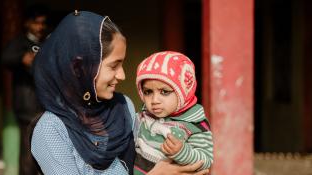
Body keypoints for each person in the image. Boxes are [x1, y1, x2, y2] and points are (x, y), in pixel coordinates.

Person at [30, 10, 209, 175]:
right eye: (114, 66)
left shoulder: (124, 107)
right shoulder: (51, 130)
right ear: (79, 68)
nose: (122, 75)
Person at [133, 51, 214, 174]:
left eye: (164, 92)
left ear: (183, 92)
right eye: (148, 92)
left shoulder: (195, 124)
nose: (155, 100)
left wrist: (182, 152)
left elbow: (206, 160)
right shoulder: (142, 117)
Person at [1, 4, 49, 175]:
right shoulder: (19, 42)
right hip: (26, 107)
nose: (40, 27)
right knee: (28, 155)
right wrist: (23, 58)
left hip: (46, 107)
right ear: (27, 23)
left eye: (43, 23)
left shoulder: (47, 42)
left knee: (46, 153)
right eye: (36, 23)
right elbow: (5, 58)